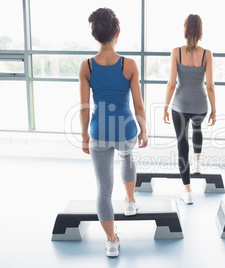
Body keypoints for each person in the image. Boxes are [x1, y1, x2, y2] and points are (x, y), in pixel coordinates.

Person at [79, 8, 148, 257]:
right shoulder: (128, 64)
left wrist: (85, 135)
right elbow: (138, 104)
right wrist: (144, 130)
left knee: (103, 190)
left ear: (95, 35)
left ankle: (111, 241)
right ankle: (130, 201)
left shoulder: (86, 66)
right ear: (117, 32)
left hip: (99, 131)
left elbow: (85, 108)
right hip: (126, 129)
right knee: (128, 157)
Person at [163, 14, 216, 204]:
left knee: (182, 144)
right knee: (197, 127)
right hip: (200, 105)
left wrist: (165, 106)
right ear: (200, 31)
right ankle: (198, 162)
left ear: (185, 29)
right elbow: (210, 86)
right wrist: (214, 109)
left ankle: (187, 191)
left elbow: (171, 84)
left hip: (180, 105)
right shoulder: (206, 54)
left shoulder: (176, 52)